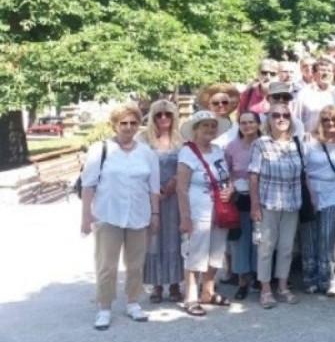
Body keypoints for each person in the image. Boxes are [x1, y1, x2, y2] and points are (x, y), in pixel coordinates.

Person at [80, 102, 161, 330]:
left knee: (136, 263)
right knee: (107, 264)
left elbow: (153, 187)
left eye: (133, 123)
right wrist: (86, 217)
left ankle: (133, 302)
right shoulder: (101, 149)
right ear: (114, 125)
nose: (128, 127)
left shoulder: (146, 153)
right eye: (123, 123)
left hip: (138, 214)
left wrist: (155, 213)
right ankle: (104, 307)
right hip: (108, 214)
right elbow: (88, 186)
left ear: (139, 125)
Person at [176, 111, 234, 316]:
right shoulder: (187, 153)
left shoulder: (218, 150)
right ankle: (190, 296)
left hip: (219, 209)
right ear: (195, 130)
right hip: (198, 210)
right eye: (205, 126)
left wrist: (230, 188)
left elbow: (226, 177)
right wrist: (185, 217)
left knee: (216, 252)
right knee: (195, 252)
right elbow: (181, 187)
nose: (209, 130)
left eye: (212, 126)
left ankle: (208, 291)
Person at [249, 103, 305, 309]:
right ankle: (265, 290)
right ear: (269, 119)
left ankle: (282, 286)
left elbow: (303, 173)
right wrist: (255, 205)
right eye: (276, 115)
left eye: (285, 115)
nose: (281, 119)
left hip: (292, 203)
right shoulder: (261, 144)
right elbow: (253, 175)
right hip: (268, 203)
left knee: (287, 248)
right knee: (266, 248)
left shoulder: (296, 144)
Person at [139, 100, 183, 305]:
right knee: (154, 240)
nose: (163, 118)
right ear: (152, 117)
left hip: (174, 197)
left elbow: (186, 165)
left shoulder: (180, 141)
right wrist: (154, 190)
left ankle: (174, 283)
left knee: (174, 239)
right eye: (159, 115)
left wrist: (174, 181)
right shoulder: (143, 141)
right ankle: (156, 284)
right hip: (151, 198)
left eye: (167, 114)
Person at [302, 105, 335, 296]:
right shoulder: (309, 140)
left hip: (333, 192)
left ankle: (330, 279)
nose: (331, 123)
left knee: (328, 237)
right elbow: (303, 169)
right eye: (326, 119)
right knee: (309, 237)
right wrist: (310, 194)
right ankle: (310, 278)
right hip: (311, 190)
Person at [225, 111, 261, 300]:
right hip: (239, 198)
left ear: (258, 124)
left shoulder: (265, 144)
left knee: (259, 239)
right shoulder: (232, 147)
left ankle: (258, 276)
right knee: (240, 241)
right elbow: (226, 172)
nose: (247, 126)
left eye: (251, 122)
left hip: (262, 197)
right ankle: (242, 281)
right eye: (243, 122)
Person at [298, 57, 335, 130]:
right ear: (314, 74)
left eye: (329, 71)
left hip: (333, 139)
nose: (326, 73)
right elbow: (297, 119)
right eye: (322, 70)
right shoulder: (304, 94)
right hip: (311, 139)